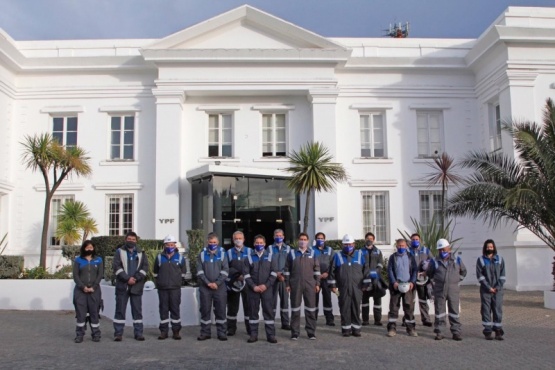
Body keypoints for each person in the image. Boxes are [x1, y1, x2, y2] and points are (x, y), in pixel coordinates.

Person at [426, 238, 467, 341]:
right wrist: (434, 283)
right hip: (439, 290)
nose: (442, 252)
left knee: (454, 312)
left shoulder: (457, 259)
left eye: (444, 249)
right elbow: (430, 273)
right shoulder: (434, 261)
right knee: (440, 312)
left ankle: (456, 332)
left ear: (449, 248)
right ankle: (440, 332)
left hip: (453, 290)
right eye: (440, 250)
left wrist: (457, 281)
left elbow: (464, 272)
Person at [328, 234, 368, 337]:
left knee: (356, 307)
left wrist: (365, 284)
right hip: (342, 287)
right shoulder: (337, 256)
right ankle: (346, 329)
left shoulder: (360, 255)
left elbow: (366, 271)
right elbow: (332, 271)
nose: (348, 246)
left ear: (354, 244)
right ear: (342, 245)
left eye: (350, 244)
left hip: (357, 287)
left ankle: (356, 329)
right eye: (346, 244)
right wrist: (333, 285)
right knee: (344, 307)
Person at [112, 231, 149, 341]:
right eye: (129, 239)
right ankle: (118, 333)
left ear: (136, 241)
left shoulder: (141, 253)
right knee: (120, 310)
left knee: (137, 311)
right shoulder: (119, 252)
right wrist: (127, 278)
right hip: (123, 286)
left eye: (133, 239)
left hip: (136, 286)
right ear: (125, 240)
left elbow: (145, 268)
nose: (131, 241)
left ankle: (138, 333)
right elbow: (116, 267)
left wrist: (136, 278)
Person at [284, 232, 321, 340]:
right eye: (301, 239)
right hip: (295, 284)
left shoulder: (313, 253)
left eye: (305, 239)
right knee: (295, 309)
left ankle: (311, 332)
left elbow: (317, 270)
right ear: (298, 240)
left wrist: (317, 283)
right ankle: (295, 332)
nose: (303, 241)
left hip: (310, 284)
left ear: (308, 241)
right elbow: (287, 270)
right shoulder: (291, 253)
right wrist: (287, 284)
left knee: (310, 309)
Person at [243, 234, 278, 343]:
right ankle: (253, 335)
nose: (259, 245)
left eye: (261, 243)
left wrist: (265, 285)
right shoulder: (248, 257)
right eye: (257, 243)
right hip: (253, 290)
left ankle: (270, 335)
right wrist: (254, 286)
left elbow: (274, 273)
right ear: (254, 244)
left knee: (268, 312)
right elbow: (246, 275)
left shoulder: (271, 256)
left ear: (265, 244)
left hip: (267, 289)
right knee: (253, 312)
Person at [153, 235, 187, 340]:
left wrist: (176, 282)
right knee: (163, 310)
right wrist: (160, 282)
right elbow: (155, 272)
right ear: (164, 245)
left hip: (175, 288)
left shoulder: (180, 258)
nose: (170, 246)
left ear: (175, 245)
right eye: (168, 244)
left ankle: (176, 331)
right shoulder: (159, 257)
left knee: (175, 309)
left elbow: (183, 272)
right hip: (162, 288)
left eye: (172, 244)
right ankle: (164, 332)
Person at [196, 232, 229, 341]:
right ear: (207, 242)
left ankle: (222, 333)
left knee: (221, 310)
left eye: (214, 242)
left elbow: (225, 271)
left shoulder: (223, 253)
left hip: (220, 288)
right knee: (205, 310)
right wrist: (208, 283)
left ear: (218, 242)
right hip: (205, 287)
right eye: (210, 242)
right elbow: (199, 271)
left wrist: (217, 283)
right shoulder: (202, 254)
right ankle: (205, 333)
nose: (212, 244)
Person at [72, 240, 103, 343]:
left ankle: (96, 334)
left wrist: (94, 287)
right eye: (87, 247)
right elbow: (75, 276)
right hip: (81, 291)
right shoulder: (78, 260)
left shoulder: (98, 260)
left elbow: (100, 275)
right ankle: (79, 335)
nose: (89, 249)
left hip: (95, 291)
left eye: (91, 247)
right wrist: (83, 287)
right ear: (83, 248)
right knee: (81, 314)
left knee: (94, 313)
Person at [386, 238, 418, 337]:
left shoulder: (410, 257)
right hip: (396, 286)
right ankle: (391, 328)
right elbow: (390, 270)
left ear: (406, 246)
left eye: (403, 246)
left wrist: (412, 282)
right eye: (399, 246)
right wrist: (394, 282)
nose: (401, 247)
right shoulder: (393, 257)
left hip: (408, 286)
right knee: (394, 307)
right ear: (396, 246)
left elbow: (415, 270)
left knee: (409, 307)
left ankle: (411, 329)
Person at [476, 239, 506, 340]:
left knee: (497, 310)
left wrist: (496, 288)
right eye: (488, 247)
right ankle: (487, 331)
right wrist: (489, 287)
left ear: (494, 248)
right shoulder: (480, 260)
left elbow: (502, 276)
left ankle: (498, 331)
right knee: (486, 310)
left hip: (498, 290)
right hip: (486, 290)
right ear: (485, 248)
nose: (490, 248)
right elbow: (480, 276)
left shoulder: (500, 259)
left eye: (491, 247)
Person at [226, 231, 252, 337]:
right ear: (233, 240)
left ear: (244, 239)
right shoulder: (228, 252)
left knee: (249, 306)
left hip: (247, 283)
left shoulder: (250, 251)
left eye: (240, 238)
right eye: (236, 238)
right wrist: (236, 275)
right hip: (233, 283)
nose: (238, 240)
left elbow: (253, 266)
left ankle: (250, 328)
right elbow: (226, 267)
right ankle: (231, 328)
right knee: (232, 307)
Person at [409, 233, 434, 327]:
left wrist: (426, 272)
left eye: (417, 239)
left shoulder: (425, 250)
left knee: (423, 300)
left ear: (420, 240)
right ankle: (408, 319)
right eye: (413, 239)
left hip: (423, 280)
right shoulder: (408, 250)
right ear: (411, 240)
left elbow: (432, 262)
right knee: (410, 300)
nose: (415, 241)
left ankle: (426, 319)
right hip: (411, 279)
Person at [360, 232, 385, 326]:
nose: (369, 240)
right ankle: (365, 320)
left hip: (376, 280)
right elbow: (359, 265)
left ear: (373, 240)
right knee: (365, 301)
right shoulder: (360, 251)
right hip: (364, 280)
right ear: (365, 239)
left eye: (371, 238)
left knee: (377, 301)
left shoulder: (378, 251)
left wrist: (376, 272)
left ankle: (377, 320)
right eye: (367, 238)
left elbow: (380, 264)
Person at [270, 228, 291, 330]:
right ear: (274, 237)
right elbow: (267, 263)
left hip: (284, 279)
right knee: (272, 301)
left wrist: (283, 275)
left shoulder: (288, 249)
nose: (278, 237)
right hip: (273, 279)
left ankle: (285, 323)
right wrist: (276, 273)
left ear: (283, 237)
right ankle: (271, 322)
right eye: (276, 236)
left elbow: (290, 264)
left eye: (280, 236)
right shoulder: (269, 249)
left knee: (285, 302)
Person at [314, 232, 335, 326]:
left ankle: (329, 319)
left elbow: (333, 264)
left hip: (326, 278)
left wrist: (328, 273)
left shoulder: (330, 250)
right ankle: (313, 319)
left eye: (322, 238)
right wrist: (317, 274)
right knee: (314, 299)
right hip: (315, 278)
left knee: (327, 298)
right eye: (318, 238)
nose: (320, 240)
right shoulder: (311, 250)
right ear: (315, 240)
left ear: (324, 239)